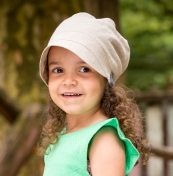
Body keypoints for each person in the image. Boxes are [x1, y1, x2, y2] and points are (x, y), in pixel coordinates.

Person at [38, 12, 150, 176]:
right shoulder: (65, 132)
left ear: (106, 79)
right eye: (58, 70)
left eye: (84, 69)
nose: (69, 81)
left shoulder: (103, 139)